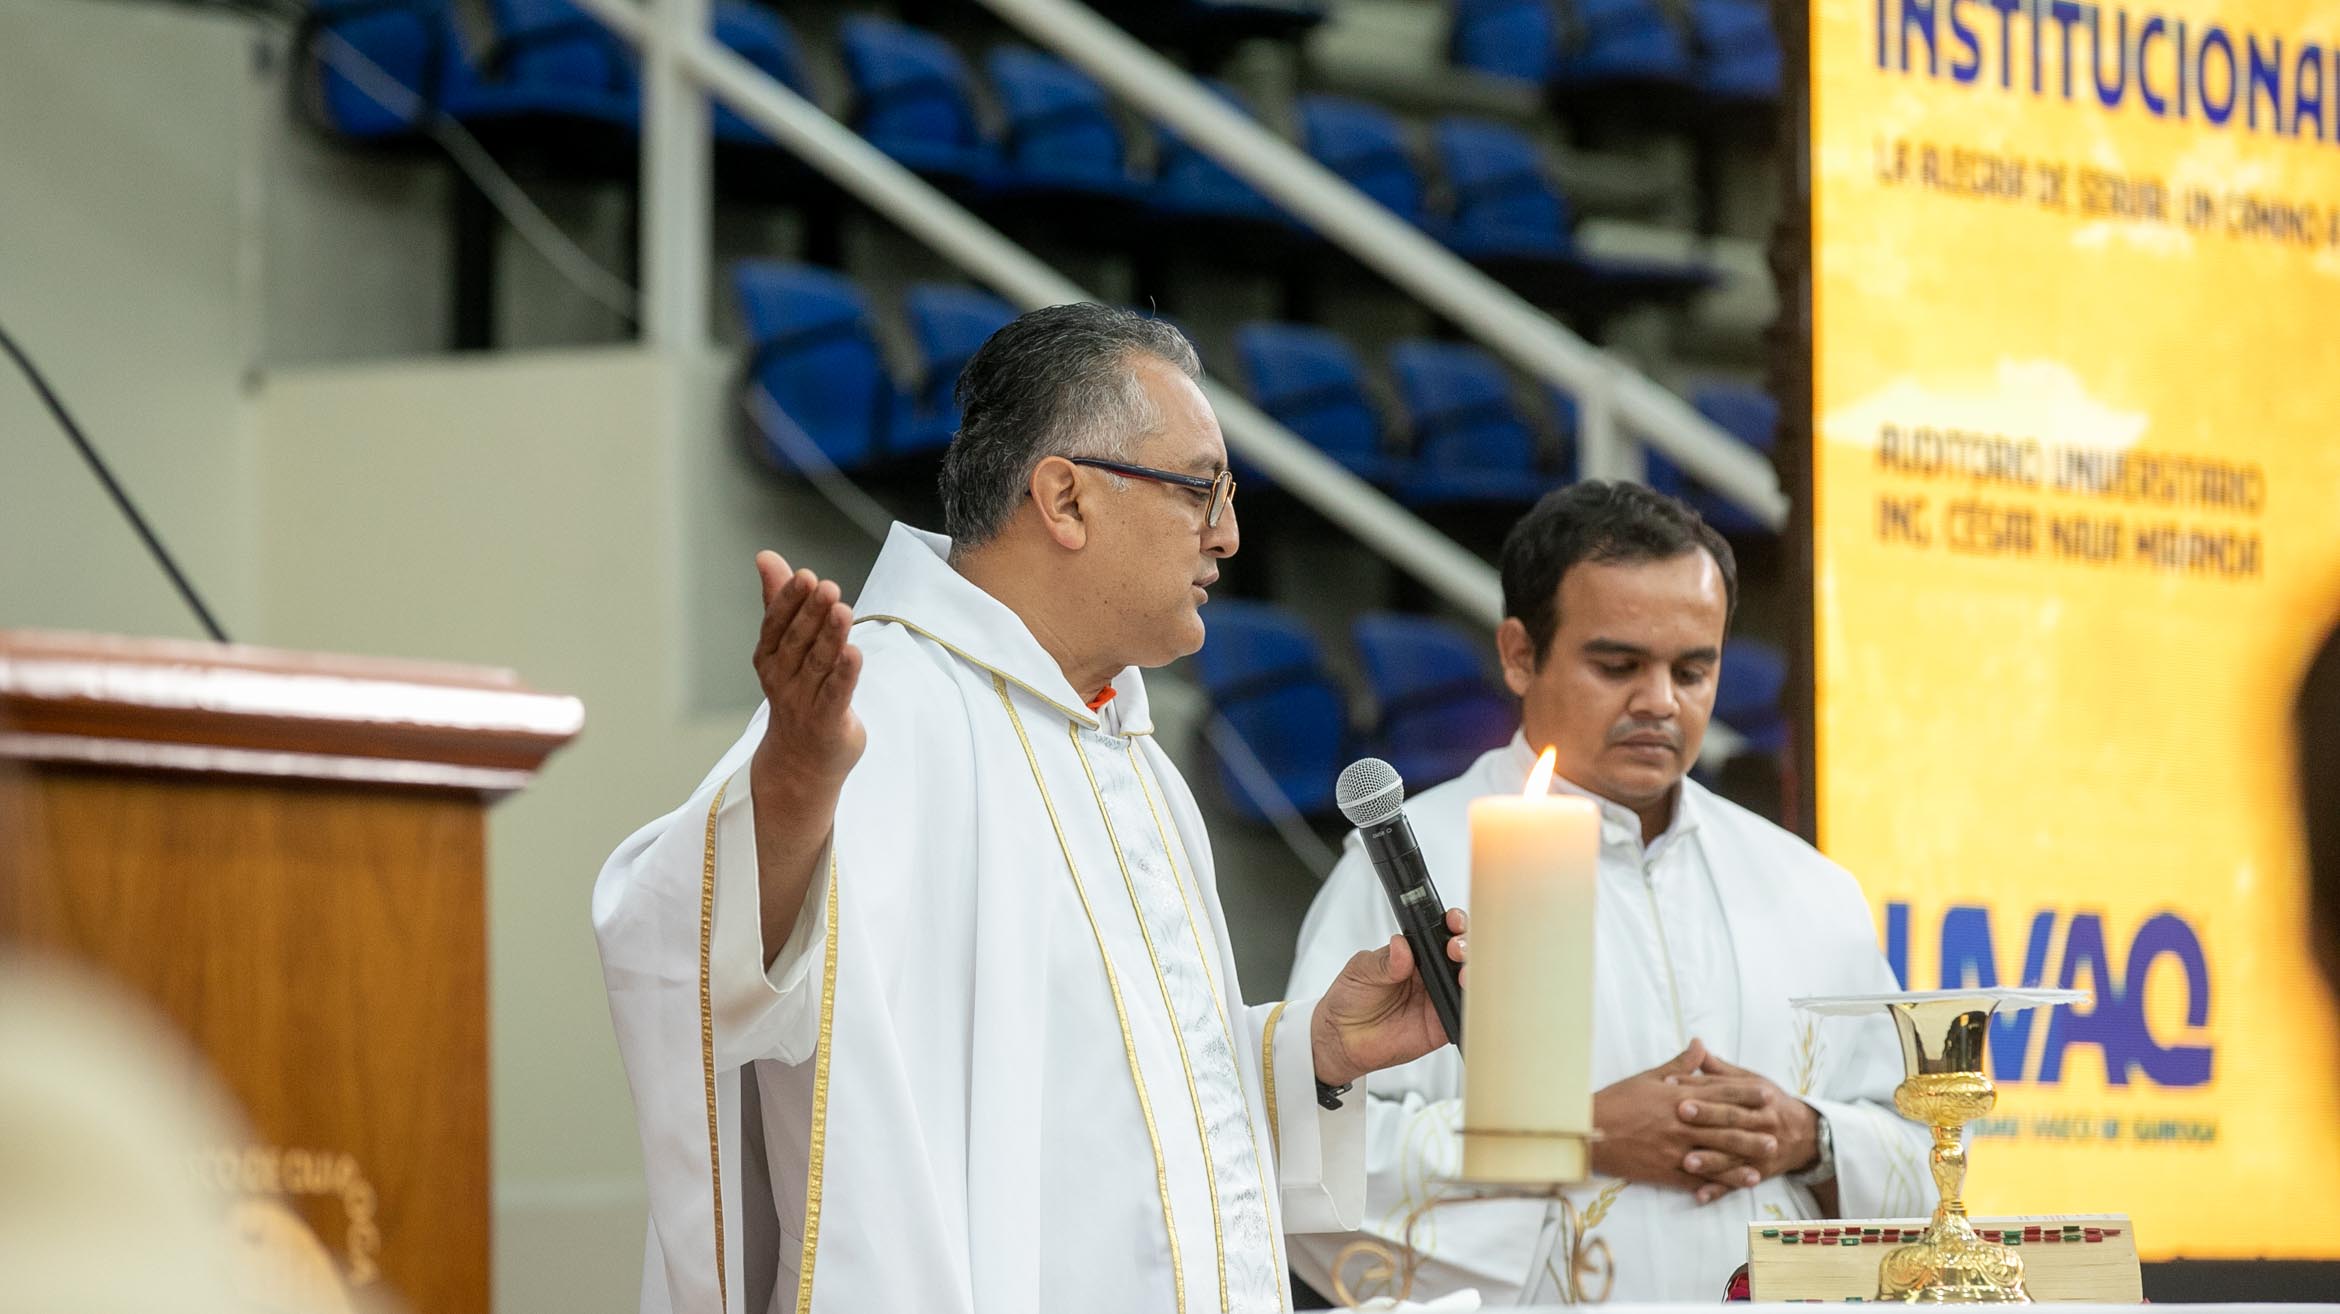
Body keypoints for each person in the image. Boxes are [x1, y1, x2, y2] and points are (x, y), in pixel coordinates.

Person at [593, 304, 1467, 1314]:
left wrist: (1311, 1053)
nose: (1226, 535)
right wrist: (791, 783)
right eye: (1203, 489)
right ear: (1066, 499)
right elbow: (692, 962)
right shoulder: (886, 708)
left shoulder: (1132, 755)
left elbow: (1101, 1112)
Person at [1286, 482, 1932, 1305]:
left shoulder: (1809, 887)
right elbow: (1311, 1163)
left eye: (1694, 669)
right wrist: (1577, 1136)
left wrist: (1809, 1138)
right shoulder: (1413, 870)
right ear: (1519, 653)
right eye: (1618, 664)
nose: (1661, 701)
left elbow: (1929, 1149)